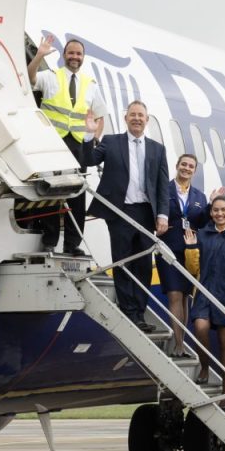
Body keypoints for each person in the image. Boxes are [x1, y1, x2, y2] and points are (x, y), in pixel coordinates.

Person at [85, 100, 168, 329]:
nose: (137, 119)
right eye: (133, 115)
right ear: (126, 118)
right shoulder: (111, 142)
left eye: (141, 115)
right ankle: (128, 311)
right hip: (120, 211)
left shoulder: (157, 149)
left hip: (145, 212)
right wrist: (89, 135)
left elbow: (162, 186)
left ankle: (140, 312)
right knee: (121, 262)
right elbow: (89, 160)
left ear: (147, 120)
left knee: (143, 265)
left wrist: (163, 215)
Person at [28, 36, 105, 255]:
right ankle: (50, 239)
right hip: (54, 142)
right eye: (71, 53)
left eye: (78, 54)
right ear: (64, 55)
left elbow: (100, 116)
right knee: (53, 190)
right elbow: (30, 78)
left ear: (83, 57)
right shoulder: (51, 76)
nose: (75, 57)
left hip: (79, 145)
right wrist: (39, 56)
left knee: (77, 196)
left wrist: (93, 138)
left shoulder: (90, 85)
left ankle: (72, 244)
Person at [181, 195, 225, 398]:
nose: (219, 214)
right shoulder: (203, 234)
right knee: (200, 328)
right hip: (204, 292)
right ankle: (205, 367)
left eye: (223, 210)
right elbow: (193, 268)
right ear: (211, 213)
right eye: (215, 210)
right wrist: (191, 248)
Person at [157, 153, 217, 354]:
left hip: (190, 251)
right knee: (174, 294)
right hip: (167, 248)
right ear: (177, 165)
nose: (186, 168)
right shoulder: (163, 188)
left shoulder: (199, 196)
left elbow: (202, 223)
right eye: (183, 164)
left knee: (184, 297)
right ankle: (179, 344)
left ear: (195, 170)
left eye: (191, 166)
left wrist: (211, 205)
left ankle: (181, 340)